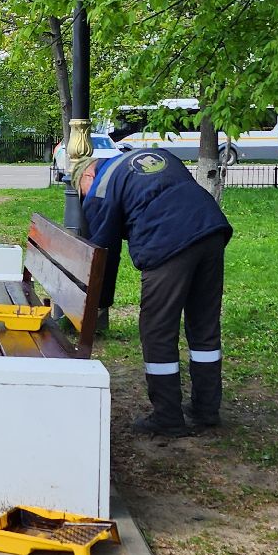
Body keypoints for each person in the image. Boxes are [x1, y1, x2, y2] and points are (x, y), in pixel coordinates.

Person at [77, 148, 233, 437]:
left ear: (88, 173)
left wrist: (101, 301)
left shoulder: (99, 185)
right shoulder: (145, 156)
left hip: (167, 242)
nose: (85, 198)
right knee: (204, 324)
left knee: (157, 328)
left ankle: (167, 417)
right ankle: (206, 409)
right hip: (210, 229)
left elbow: (104, 254)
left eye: (80, 191)